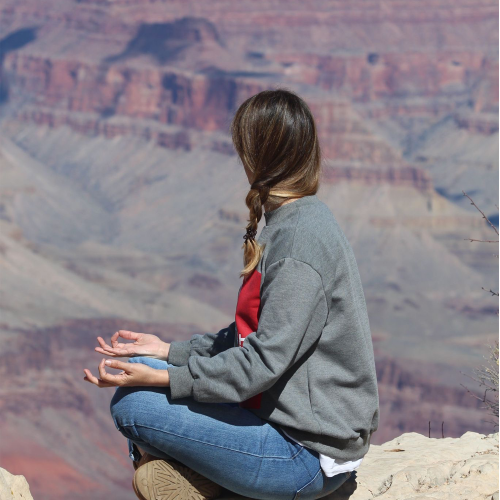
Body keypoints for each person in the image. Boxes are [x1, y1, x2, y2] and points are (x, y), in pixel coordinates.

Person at [83, 89, 380, 500]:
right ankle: (222, 479)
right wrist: (169, 351)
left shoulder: (299, 242)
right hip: (281, 419)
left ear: (257, 155)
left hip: (306, 454)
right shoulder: (294, 221)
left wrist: (169, 378)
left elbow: (260, 363)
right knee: (139, 366)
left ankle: (229, 489)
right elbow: (252, 335)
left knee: (132, 407)